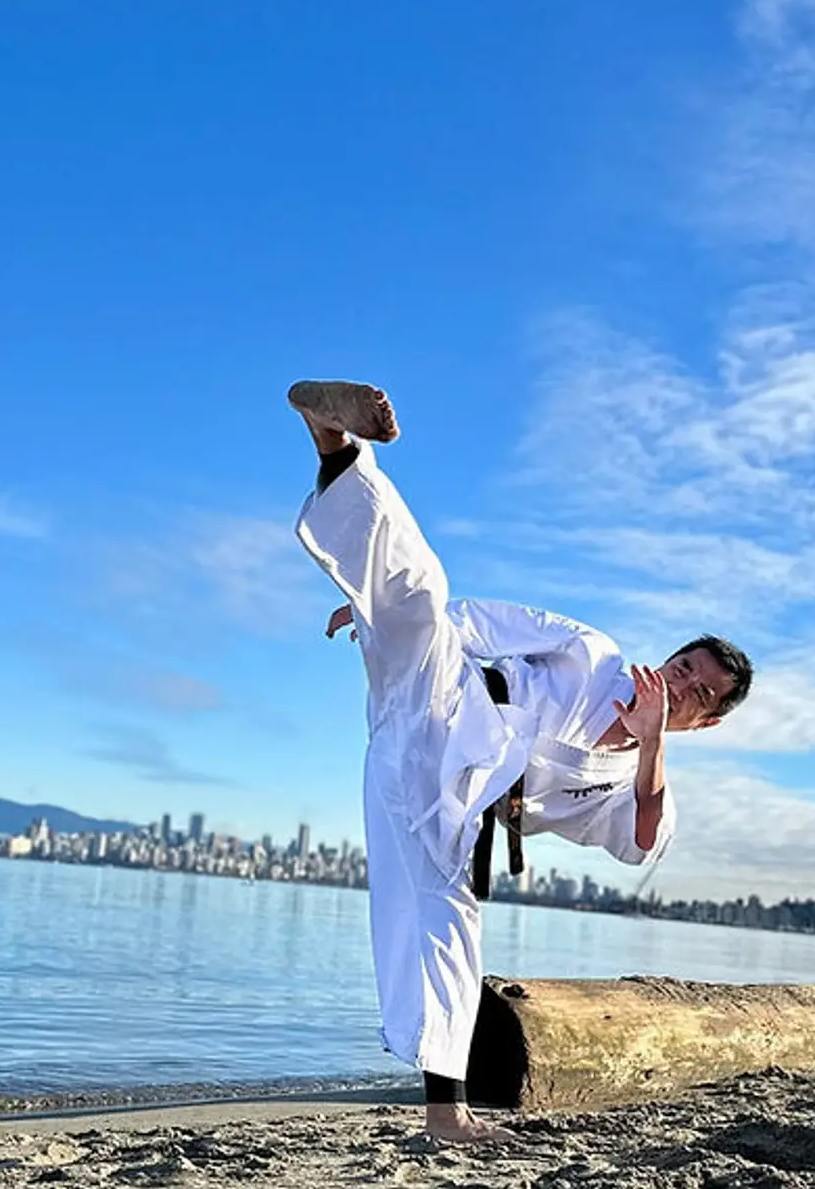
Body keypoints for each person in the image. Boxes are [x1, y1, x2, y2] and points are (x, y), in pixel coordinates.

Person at [288, 379, 752, 1143]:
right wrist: (379, 612)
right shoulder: (593, 653)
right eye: (681, 666)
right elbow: (470, 621)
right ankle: (331, 436)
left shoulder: (628, 777)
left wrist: (652, 739)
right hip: (442, 706)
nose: (678, 684)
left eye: (697, 693)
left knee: (448, 934)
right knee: (426, 593)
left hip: (450, 807)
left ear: (703, 723)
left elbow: (640, 843)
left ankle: (446, 1116)